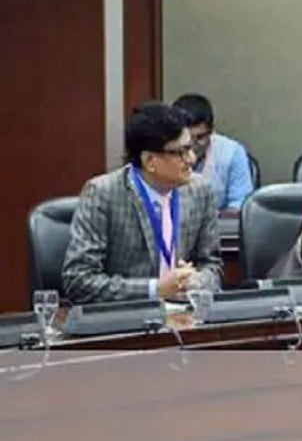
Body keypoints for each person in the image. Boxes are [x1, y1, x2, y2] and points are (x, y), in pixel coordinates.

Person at [62, 102, 223, 303]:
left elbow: (212, 265)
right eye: (180, 152)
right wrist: (155, 289)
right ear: (150, 161)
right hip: (129, 316)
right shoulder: (103, 194)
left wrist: (198, 281)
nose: (191, 159)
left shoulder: (200, 190)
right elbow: (78, 280)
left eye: (190, 148)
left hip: (185, 314)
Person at [171, 93, 255, 211]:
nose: (192, 145)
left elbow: (241, 205)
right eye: (186, 138)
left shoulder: (232, 153)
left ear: (211, 131)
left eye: (200, 137)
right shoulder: (163, 154)